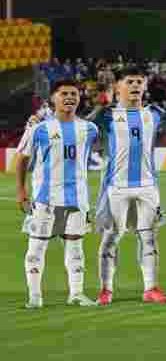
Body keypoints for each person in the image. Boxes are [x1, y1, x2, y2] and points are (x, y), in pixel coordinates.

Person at [16, 80, 100, 308]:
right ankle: (35, 297)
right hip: (46, 199)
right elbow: (22, 158)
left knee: (75, 247)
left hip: (77, 199)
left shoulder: (89, 129)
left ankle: (76, 293)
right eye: (64, 94)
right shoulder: (40, 129)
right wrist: (22, 190)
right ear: (53, 98)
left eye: (74, 94)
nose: (70, 98)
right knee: (36, 247)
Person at [91, 66, 166, 305]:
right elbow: (81, 129)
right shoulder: (106, 116)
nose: (135, 86)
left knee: (148, 237)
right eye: (130, 82)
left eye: (139, 82)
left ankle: (150, 288)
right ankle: (105, 290)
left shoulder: (155, 113)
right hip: (117, 186)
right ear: (118, 87)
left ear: (145, 86)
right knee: (111, 237)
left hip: (148, 186)